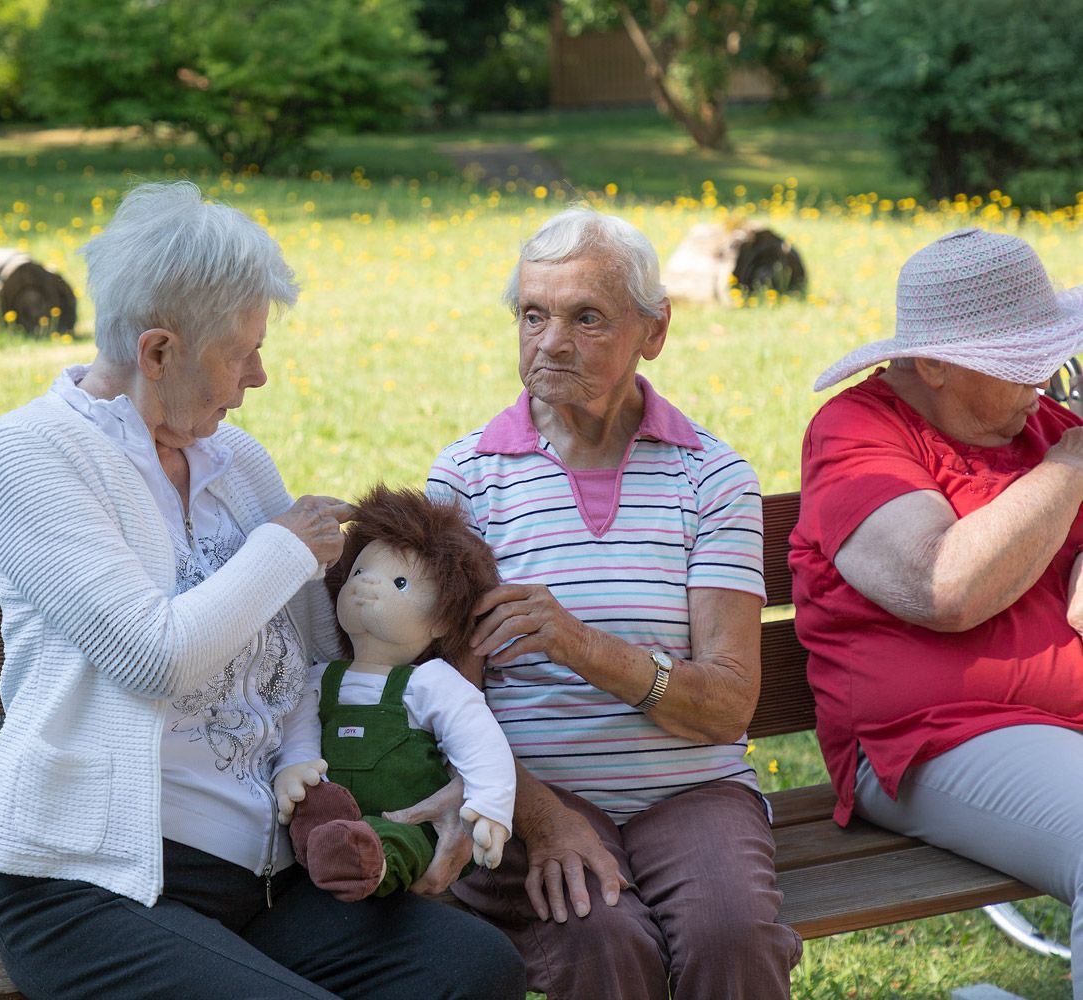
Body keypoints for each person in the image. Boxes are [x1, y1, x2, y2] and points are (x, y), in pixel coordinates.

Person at [0, 180, 526, 1000]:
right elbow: (153, 657)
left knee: (476, 968)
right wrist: (282, 548)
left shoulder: (237, 464)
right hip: (97, 890)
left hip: (267, 883)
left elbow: (332, 649)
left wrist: (451, 769)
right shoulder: (36, 453)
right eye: (241, 352)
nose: (258, 376)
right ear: (158, 352)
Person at [425, 207, 802, 1000]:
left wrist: (579, 644)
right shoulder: (468, 481)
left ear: (652, 331)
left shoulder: (711, 479)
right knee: (601, 935)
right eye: (534, 315)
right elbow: (448, 704)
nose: (551, 342)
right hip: (533, 789)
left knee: (731, 936)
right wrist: (541, 818)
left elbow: (727, 705)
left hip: (693, 788)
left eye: (586, 318)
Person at [790, 226, 1083, 996]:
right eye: (1021, 361)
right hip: (931, 739)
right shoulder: (857, 433)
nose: (1045, 378)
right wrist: (1073, 468)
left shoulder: (1046, 430)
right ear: (934, 364)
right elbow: (940, 588)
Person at [274, 485, 515, 902]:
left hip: (408, 821)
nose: (365, 585)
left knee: (400, 841)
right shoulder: (321, 678)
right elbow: (299, 731)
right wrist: (295, 768)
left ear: (442, 620)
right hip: (335, 810)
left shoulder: (429, 683)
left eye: (399, 582)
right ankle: (329, 853)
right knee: (317, 813)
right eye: (359, 573)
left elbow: (481, 742)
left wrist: (491, 806)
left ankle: (371, 864)